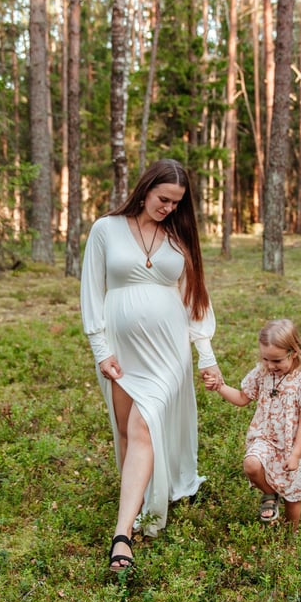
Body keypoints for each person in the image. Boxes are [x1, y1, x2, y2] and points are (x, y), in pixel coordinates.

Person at [80, 158, 222, 573]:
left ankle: (122, 534)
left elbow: (194, 297)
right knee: (127, 432)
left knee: (143, 425)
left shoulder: (178, 236)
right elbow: (92, 291)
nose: (169, 208)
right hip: (121, 351)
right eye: (164, 199)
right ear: (145, 190)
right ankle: (138, 496)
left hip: (168, 352)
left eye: (177, 202)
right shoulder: (106, 229)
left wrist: (206, 355)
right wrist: (100, 349)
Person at [203, 318, 301, 529]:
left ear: (293, 353)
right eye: (265, 359)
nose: (270, 365)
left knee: (292, 497)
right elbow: (242, 398)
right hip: (266, 438)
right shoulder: (262, 373)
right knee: (251, 464)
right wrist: (219, 387)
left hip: (294, 445)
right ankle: (269, 493)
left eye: (276, 360)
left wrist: (296, 454)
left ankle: (289, 536)